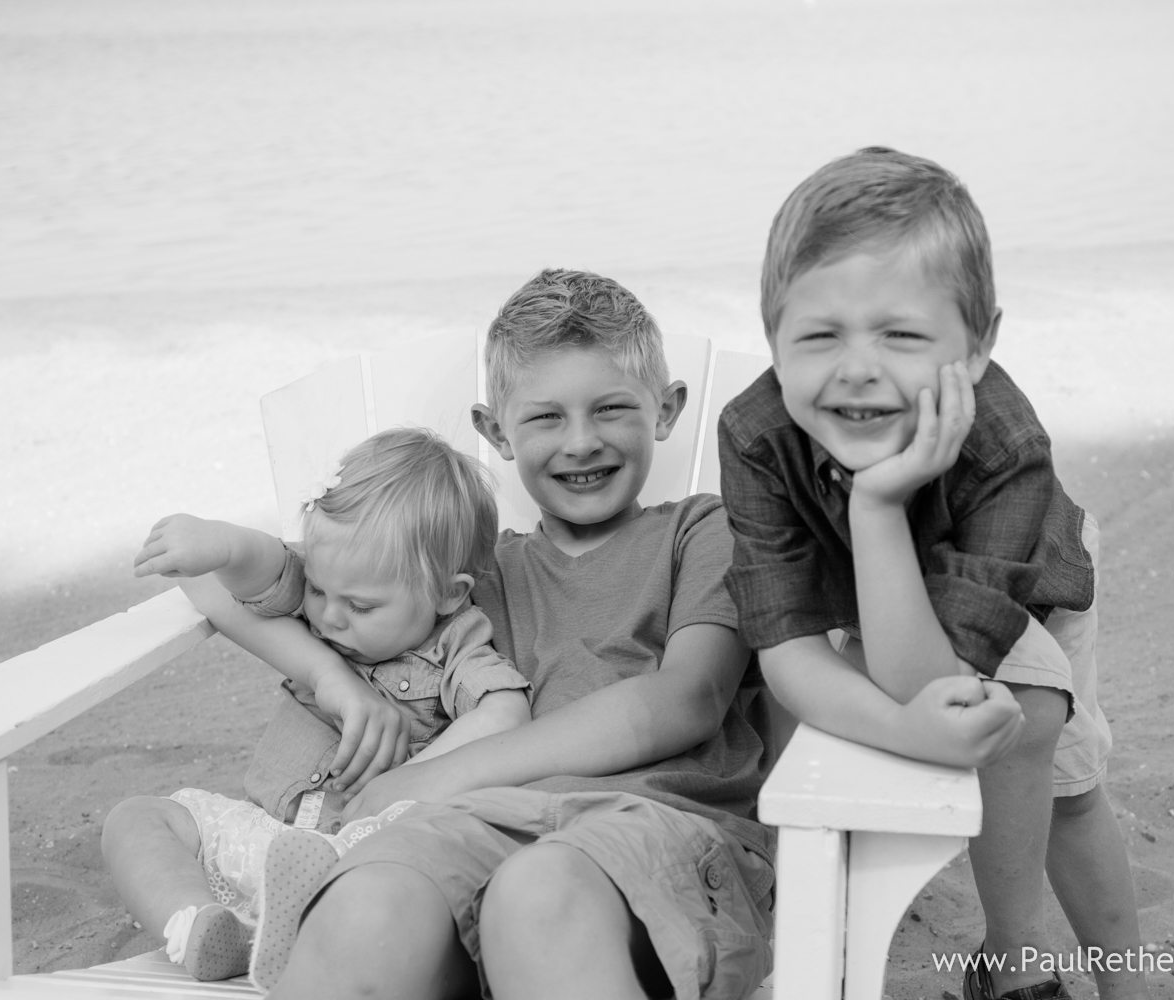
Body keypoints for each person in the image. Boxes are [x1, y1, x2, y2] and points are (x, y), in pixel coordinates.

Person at [249, 267, 794, 1000]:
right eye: (545, 418)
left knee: (535, 893)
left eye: (610, 409)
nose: (580, 442)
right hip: (471, 829)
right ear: (494, 432)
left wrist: (429, 778)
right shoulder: (458, 574)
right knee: (369, 905)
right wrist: (335, 682)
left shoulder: (699, 531)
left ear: (664, 411)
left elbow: (687, 698)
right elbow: (232, 587)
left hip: (654, 828)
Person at [717, 146, 1145, 1000]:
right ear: (772, 339)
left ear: (978, 346)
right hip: (860, 602)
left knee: (1064, 781)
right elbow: (789, 648)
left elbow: (933, 683)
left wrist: (875, 506)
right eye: (818, 336)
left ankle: (1097, 977)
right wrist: (903, 724)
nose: (858, 367)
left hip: (1023, 591)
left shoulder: (1004, 447)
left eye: (902, 335)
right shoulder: (755, 433)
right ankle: (999, 968)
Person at [101, 427, 532, 983]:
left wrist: (399, 787)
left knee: (399, 844)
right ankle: (206, 925)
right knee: (136, 820)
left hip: (362, 849)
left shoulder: (455, 642)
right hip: (263, 837)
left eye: (360, 605)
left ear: (448, 594)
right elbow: (266, 571)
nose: (328, 617)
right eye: (320, 592)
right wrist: (225, 543)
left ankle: (299, 932)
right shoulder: (329, 590)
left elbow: (505, 711)